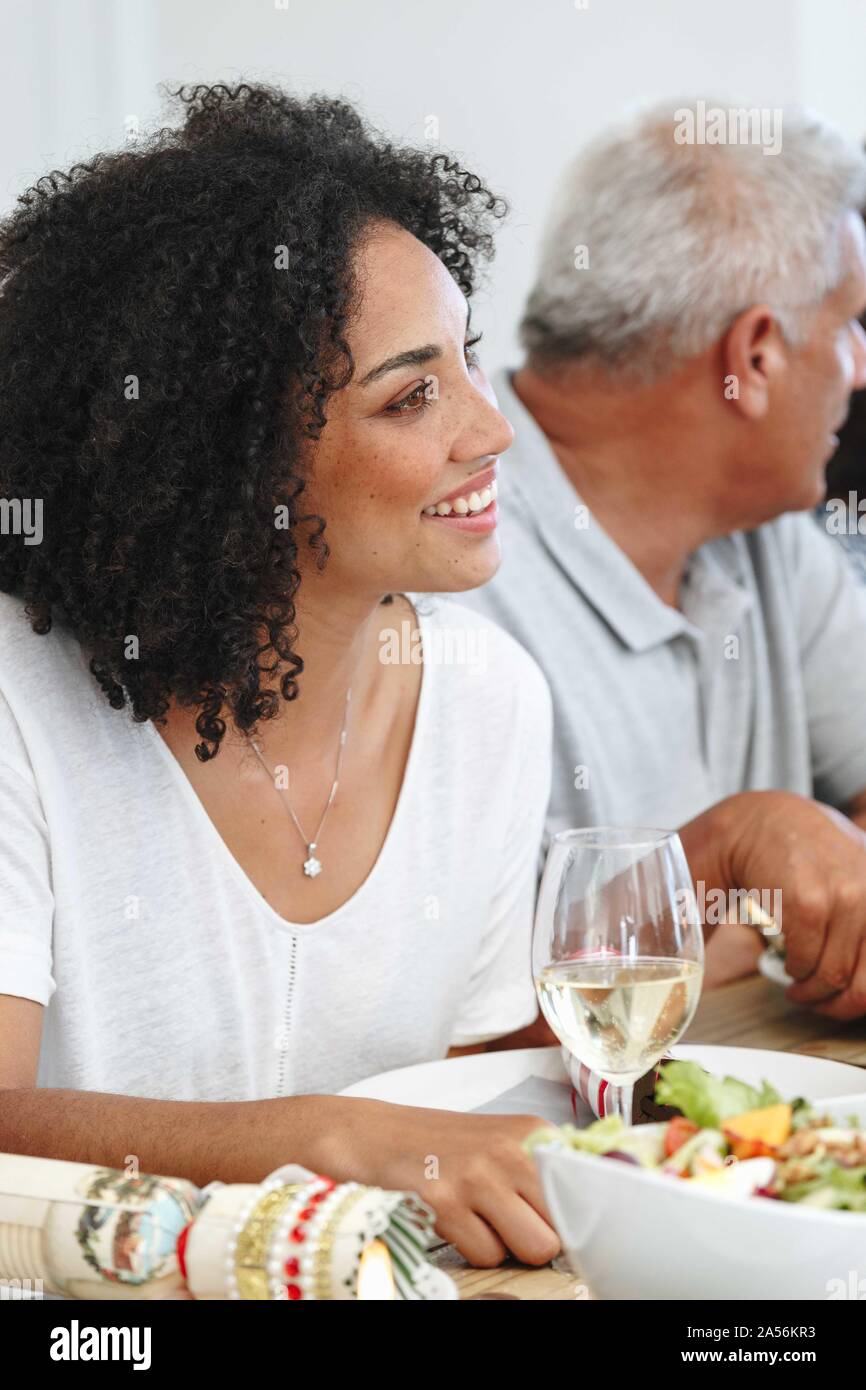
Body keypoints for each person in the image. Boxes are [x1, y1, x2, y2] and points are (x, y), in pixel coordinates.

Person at [0, 81, 562, 1268]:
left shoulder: (486, 698)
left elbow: (471, 1144)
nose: (490, 427)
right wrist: (326, 1134)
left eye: (465, 361)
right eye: (413, 393)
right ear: (231, 454)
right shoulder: (18, 700)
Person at [457, 100, 866, 1016]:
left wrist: (824, 897)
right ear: (755, 356)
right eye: (849, 325)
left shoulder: (768, 528)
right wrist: (739, 865)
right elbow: (471, 1026)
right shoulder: (445, 566)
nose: (860, 367)